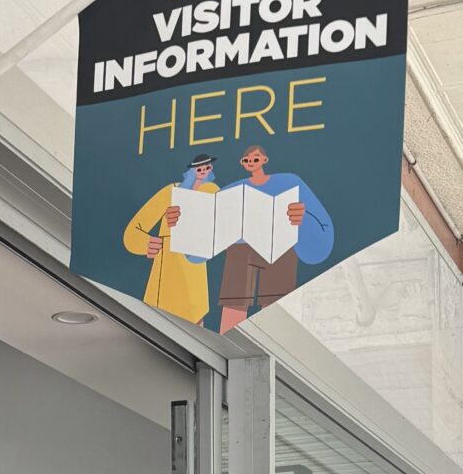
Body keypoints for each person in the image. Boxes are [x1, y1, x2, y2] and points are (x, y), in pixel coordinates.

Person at [214, 140, 334, 331]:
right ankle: (228, 337)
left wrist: (302, 218)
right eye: (247, 159)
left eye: (255, 158)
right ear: (243, 163)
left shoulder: (290, 182)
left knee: (274, 300)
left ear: (264, 160)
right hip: (241, 248)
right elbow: (213, 216)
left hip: (280, 247)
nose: (251, 162)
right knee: (234, 301)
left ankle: (273, 338)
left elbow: (320, 222)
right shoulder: (234, 189)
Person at [121, 158, 217, 325]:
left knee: (195, 330)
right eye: (198, 168)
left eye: (206, 168)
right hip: (166, 273)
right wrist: (147, 243)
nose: (202, 172)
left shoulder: (212, 192)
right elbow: (132, 232)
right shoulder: (171, 191)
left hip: (195, 279)